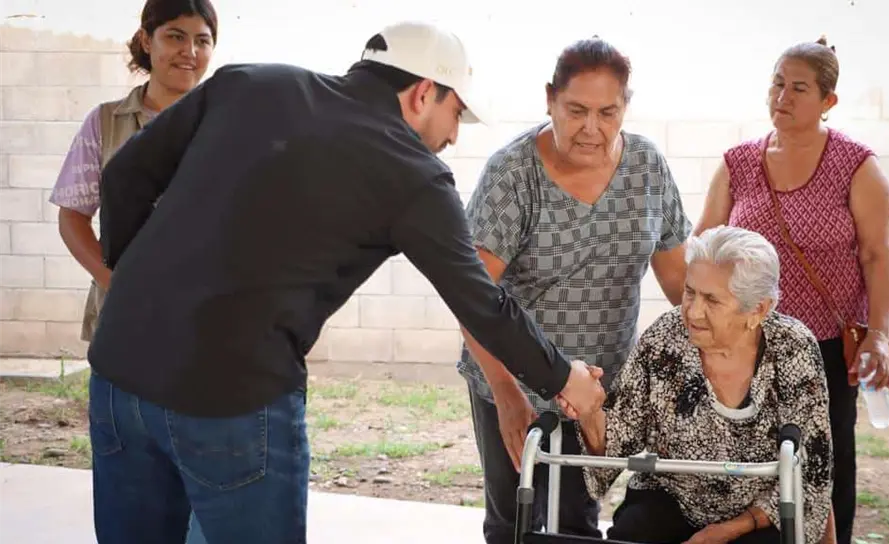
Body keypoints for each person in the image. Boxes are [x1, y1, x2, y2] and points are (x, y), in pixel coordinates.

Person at [85, 20, 606, 544]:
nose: (452, 135)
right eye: (455, 114)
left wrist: (130, 282)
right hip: (232, 397)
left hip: (118, 368)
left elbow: (122, 176)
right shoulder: (414, 174)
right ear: (423, 92)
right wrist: (565, 377)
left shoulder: (249, 82)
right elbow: (482, 303)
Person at [459, 37, 691, 543]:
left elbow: (681, 284)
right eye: (577, 110)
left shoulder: (647, 167)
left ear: (626, 106)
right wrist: (504, 393)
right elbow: (470, 293)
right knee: (515, 522)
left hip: (597, 390)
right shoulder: (514, 173)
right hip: (515, 377)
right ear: (550, 100)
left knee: (579, 523)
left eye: (608, 112)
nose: (592, 128)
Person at [692, 36, 889, 544]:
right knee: (745, 455)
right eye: (777, 83)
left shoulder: (856, 165)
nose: (782, 96)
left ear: (829, 101)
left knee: (826, 459)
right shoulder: (738, 163)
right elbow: (703, 244)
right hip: (747, 342)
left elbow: (877, 256)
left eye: (798, 88)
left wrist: (879, 335)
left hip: (826, 347)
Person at [47, 1, 218, 542]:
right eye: (174, 36)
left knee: (209, 496)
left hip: (211, 341)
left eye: (202, 39)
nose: (189, 52)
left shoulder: (229, 122)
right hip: (125, 339)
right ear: (146, 41)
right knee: (132, 497)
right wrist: (113, 282)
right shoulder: (106, 123)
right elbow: (73, 215)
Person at [560, 225, 833, 544]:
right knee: (634, 530)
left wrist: (731, 528)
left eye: (712, 301)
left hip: (760, 514)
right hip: (670, 499)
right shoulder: (664, 339)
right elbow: (622, 441)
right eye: (690, 292)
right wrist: (591, 411)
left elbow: (811, 469)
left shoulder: (792, 348)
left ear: (758, 309)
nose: (692, 311)